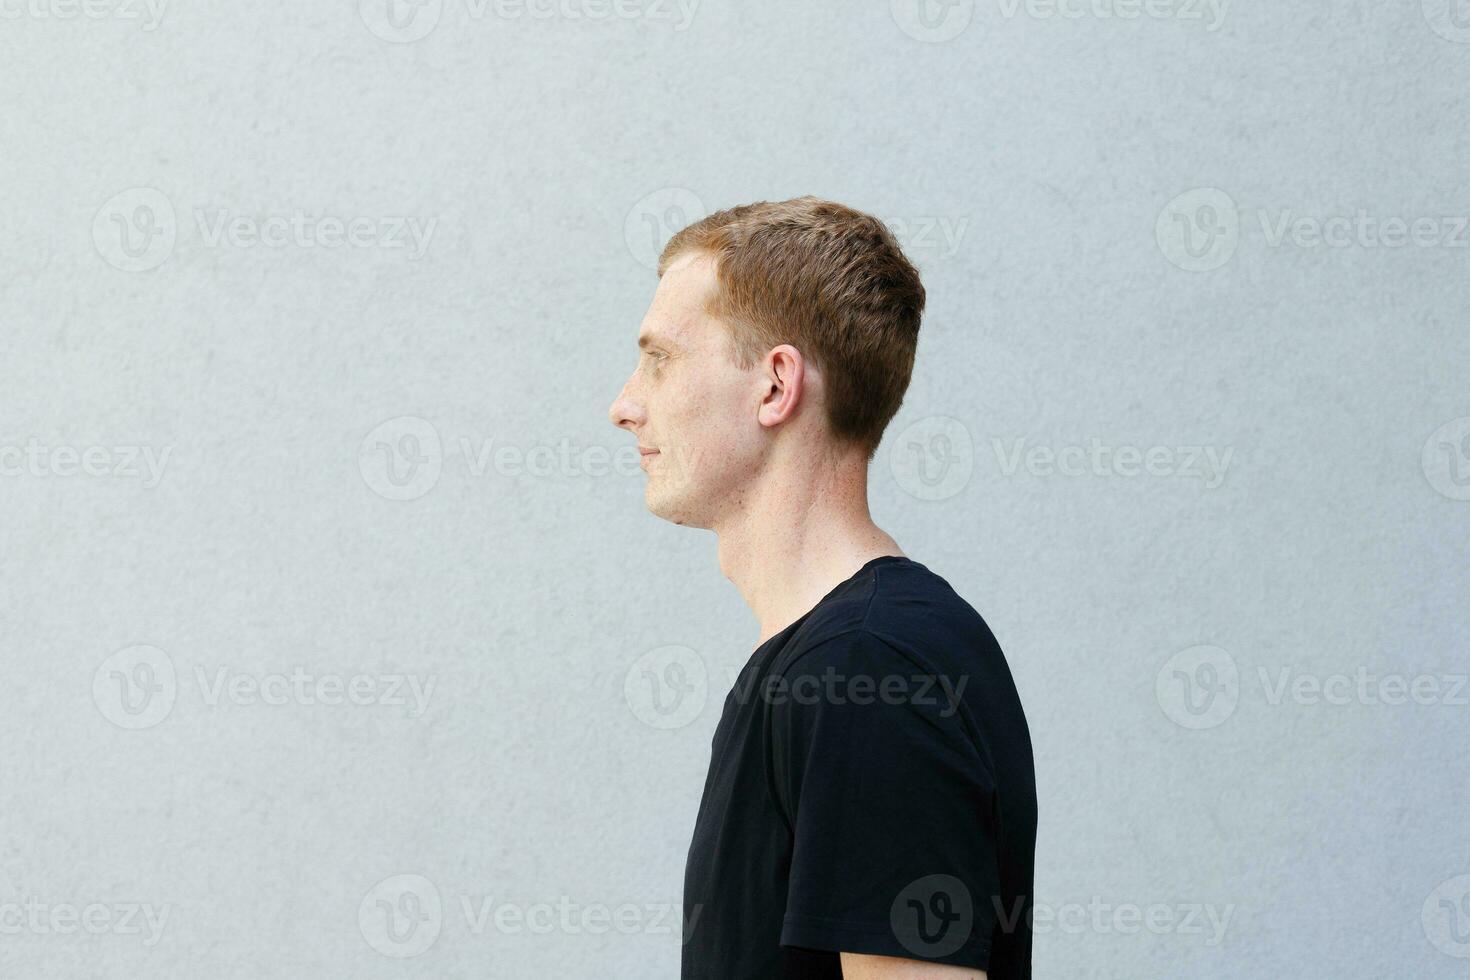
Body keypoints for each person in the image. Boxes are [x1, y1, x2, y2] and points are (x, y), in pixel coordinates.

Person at [608, 197, 1037, 979]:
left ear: (775, 386)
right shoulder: (833, 665)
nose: (625, 405)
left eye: (660, 359)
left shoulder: (870, 672)